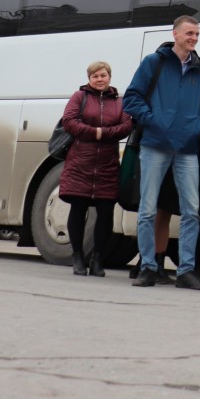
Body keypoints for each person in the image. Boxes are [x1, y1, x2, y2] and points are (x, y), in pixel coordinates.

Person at [123, 15, 200, 290]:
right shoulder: (155, 62)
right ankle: (149, 267)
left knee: (191, 211)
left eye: (197, 34)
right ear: (175, 34)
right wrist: (154, 120)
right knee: (148, 209)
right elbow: (131, 98)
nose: (194, 38)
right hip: (155, 144)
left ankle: (186, 270)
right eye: (189, 33)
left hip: (187, 148)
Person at [59, 61, 133, 277]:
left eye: (103, 75)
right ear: (89, 79)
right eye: (95, 76)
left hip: (107, 165)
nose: (100, 79)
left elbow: (126, 126)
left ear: (109, 77)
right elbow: (69, 121)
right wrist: (97, 133)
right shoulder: (79, 97)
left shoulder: (120, 102)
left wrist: (102, 133)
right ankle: (77, 256)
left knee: (105, 211)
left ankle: (98, 258)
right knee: (78, 208)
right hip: (80, 162)